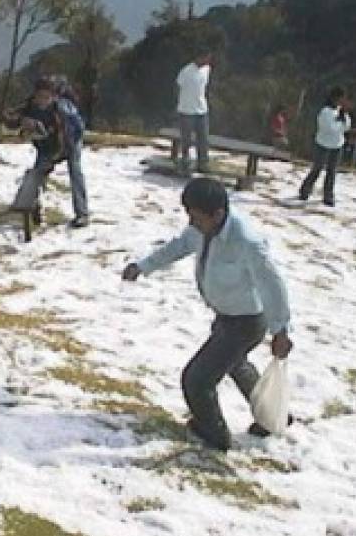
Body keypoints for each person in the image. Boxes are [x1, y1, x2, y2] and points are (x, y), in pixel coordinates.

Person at [122, 177, 293, 451]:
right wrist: (143, 266)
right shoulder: (201, 230)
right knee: (236, 364)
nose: (191, 223)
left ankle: (214, 435)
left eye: (196, 217)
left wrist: (281, 330)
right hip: (226, 316)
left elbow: (271, 284)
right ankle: (273, 416)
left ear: (218, 214)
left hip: (246, 322)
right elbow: (177, 247)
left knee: (197, 380)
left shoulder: (246, 242)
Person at [6, 76, 90, 228]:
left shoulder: (62, 112)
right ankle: (33, 207)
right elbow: (10, 118)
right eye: (39, 97)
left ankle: (82, 214)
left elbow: (66, 138)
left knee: (75, 172)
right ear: (35, 96)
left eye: (47, 97)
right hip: (46, 145)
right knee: (37, 174)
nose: (42, 101)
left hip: (70, 143)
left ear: (54, 97)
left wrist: (55, 156)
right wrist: (21, 120)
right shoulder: (30, 107)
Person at [298, 86, 351, 206]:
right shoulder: (325, 111)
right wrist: (339, 122)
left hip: (337, 145)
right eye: (339, 98)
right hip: (323, 143)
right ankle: (305, 190)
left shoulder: (340, 111)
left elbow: (346, 128)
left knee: (331, 172)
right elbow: (329, 128)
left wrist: (344, 117)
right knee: (317, 168)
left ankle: (328, 195)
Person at [175, 53, 213, 174]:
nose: (207, 60)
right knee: (186, 139)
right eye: (205, 57)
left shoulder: (207, 69)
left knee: (203, 138)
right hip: (186, 111)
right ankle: (185, 162)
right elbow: (178, 85)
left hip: (201, 109)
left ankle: (203, 163)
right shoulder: (186, 71)